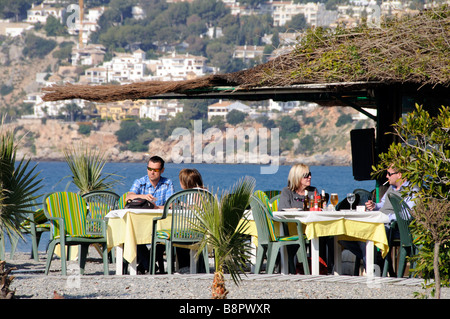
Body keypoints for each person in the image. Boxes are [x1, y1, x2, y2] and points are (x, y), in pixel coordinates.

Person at [339, 165, 415, 274]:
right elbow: (383, 204)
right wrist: (374, 206)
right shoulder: (391, 188)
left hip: (394, 227)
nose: (386, 176)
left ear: (400, 175)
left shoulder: (412, 189)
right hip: (380, 221)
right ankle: (375, 260)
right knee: (346, 236)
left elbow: (408, 213)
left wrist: (386, 218)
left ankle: (372, 269)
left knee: (364, 235)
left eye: (389, 174)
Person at [127, 155, 174, 274]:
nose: (152, 172)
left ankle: (145, 265)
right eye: (149, 169)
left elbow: (171, 205)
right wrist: (143, 197)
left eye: (156, 170)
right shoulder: (140, 182)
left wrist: (155, 207)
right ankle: (150, 264)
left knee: (161, 241)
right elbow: (129, 197)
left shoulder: (167, 183)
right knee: (133, 235)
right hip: (140, 223)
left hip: (160, 223)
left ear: (162, 170)